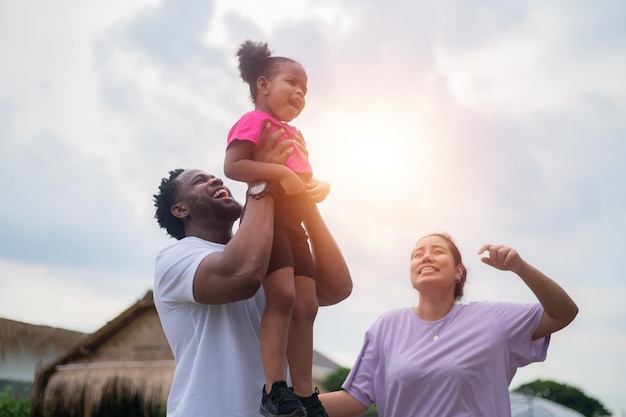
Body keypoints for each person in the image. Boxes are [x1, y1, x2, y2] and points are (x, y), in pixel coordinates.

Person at [153, 125, 352, 417]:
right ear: (181, 210)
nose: (216, 179)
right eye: (200, 181)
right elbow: (242, 274)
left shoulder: (267, 254)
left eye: (214, 176)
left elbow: (336, 287)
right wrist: (263, 176)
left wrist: (302, 197)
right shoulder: (175, 258)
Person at [319, 233, 578, 417]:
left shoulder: (493, 320)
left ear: (458, 272)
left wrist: (521, 268)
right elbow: (354, 400)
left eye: (438, 251)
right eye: (418, 254)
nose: (426, 257)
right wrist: (285, 405)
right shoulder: (387, 326)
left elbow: (563, 313)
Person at [223, 40, 331, 417]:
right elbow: (233, 166)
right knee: (282, 295)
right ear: (264, 84)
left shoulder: (296, 135)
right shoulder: (253, 121)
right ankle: (274, 389)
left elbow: (305, 182)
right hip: (266, 222)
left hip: (295, 223)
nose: (300, 93)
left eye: (305, 90)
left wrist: (318, 186)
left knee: (308, 304)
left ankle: (304, 394)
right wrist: (280, 173)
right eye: (292, 83)